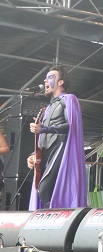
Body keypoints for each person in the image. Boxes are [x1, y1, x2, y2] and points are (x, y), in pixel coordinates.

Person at [26, 65, 86, 210]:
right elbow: (43, 136)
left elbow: (71, 126)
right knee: (42, 189)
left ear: (61, 82)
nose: (45, 81)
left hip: (61, 147)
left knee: (44, 188)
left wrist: (44, 128)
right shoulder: (47, 108)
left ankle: (56, 216)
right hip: (47, 150)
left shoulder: (69, 99)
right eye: (45, 78)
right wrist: (34, 154)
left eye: (50, 77)